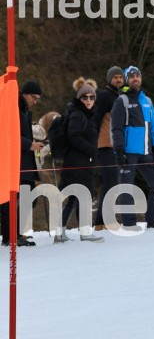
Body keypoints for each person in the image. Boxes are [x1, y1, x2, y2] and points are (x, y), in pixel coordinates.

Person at [110, 66, 154, 229]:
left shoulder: (147, 101)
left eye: (138, 76)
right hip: (129, 152)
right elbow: (116, 129)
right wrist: (119, 151)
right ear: (127, 80)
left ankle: (153, 220)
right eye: (132, 76)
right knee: (126, 186)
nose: (136, 78)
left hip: (146, 151)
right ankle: (129, 223)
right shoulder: (122, 101)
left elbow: (153, 126)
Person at [54, 78, 104, 243]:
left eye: (92, 97)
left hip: (79, 162)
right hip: (78, 164)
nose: (88, 100)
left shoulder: (84, 114)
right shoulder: (78, 114)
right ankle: (84, 232)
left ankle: (60, 233)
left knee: (74, 198)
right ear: (79, 98)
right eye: (85, 97)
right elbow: (73, 135)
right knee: (83, 196)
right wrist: (91, 150)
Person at [1, 80, 43, 246]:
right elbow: (8, 133)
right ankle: (9, 236)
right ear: (24, 94)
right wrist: (29, 145)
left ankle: (15, 233)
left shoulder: (25, 111)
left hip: (24, 162)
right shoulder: (14, 108)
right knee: (9, 201)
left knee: (28, 197)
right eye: (33, 97)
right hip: (13, 162)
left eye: (37, 99)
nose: (34, 101)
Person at [93, 66, 124, 230]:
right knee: (110, 182)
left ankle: (101, 221)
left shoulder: (120, 96)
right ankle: (105, 220)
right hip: (106, 145)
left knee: (113, 183)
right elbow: (96, 119)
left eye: (120, 77)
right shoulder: (105, 96)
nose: (118, 80)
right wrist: (94, 143)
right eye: (115, 77)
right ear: (109, 79)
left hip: (116, 145)